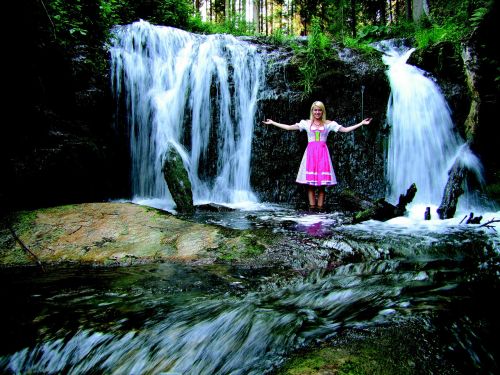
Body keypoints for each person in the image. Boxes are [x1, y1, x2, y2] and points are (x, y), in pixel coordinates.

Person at [262, 101, 372, 211]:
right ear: (312, 111)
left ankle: (320, 209)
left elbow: (345, 130)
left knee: (322, 185)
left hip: (322, 155)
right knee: (309, 185)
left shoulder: (329, 124)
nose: (317, 112)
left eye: (319, 110)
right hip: (310, 154)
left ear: (323, 111)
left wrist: (361, 123)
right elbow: (289, 128)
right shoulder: (306, 123)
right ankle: (312, 208)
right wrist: (273, 122)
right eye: (315, 110)